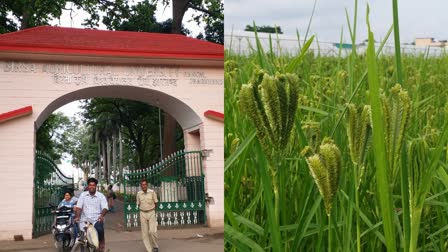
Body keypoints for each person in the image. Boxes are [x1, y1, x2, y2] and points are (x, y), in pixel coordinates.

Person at [74, 178, 109, 252]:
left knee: (100, 229)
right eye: (90, 185)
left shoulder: (101, 196)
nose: (91, 187)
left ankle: (101, 245)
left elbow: (105, 208)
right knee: (81, 236)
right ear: (88, 186)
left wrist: (102, 215)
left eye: (93, 185)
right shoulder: (83, 195)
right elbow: (79, 207)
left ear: (96, 186)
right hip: (85, 220)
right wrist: (77, 216)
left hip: (96, 219)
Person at [137, 179, 159, 252]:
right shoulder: (139, 194)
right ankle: (149, 250)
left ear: (147, 185)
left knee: (152, 231)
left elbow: (156, 202)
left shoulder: (152, 192)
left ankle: (155, 246)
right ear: (141, 186)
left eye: (145, 184)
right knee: (145, 233)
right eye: (142, 185)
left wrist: (152, 210)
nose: (144, 186)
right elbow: (138, 203)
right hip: (142, 213)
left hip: (151, 212)